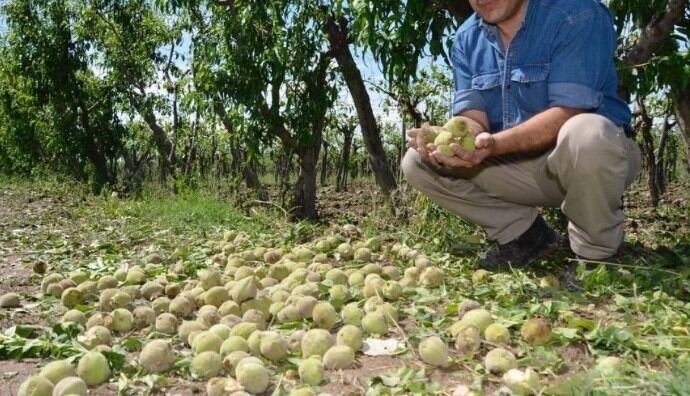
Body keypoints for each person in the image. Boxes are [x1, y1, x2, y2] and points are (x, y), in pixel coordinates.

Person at [402, 0, 641, 271]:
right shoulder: (466, 38)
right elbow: (473, 119)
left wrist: (494, 145)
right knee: (418, 162)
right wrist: (453, 138)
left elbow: (569, 111)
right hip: (515, 166)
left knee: (586, 134)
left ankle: (595, 256)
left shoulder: (577, 14)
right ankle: (526, 236)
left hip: (586, 161)